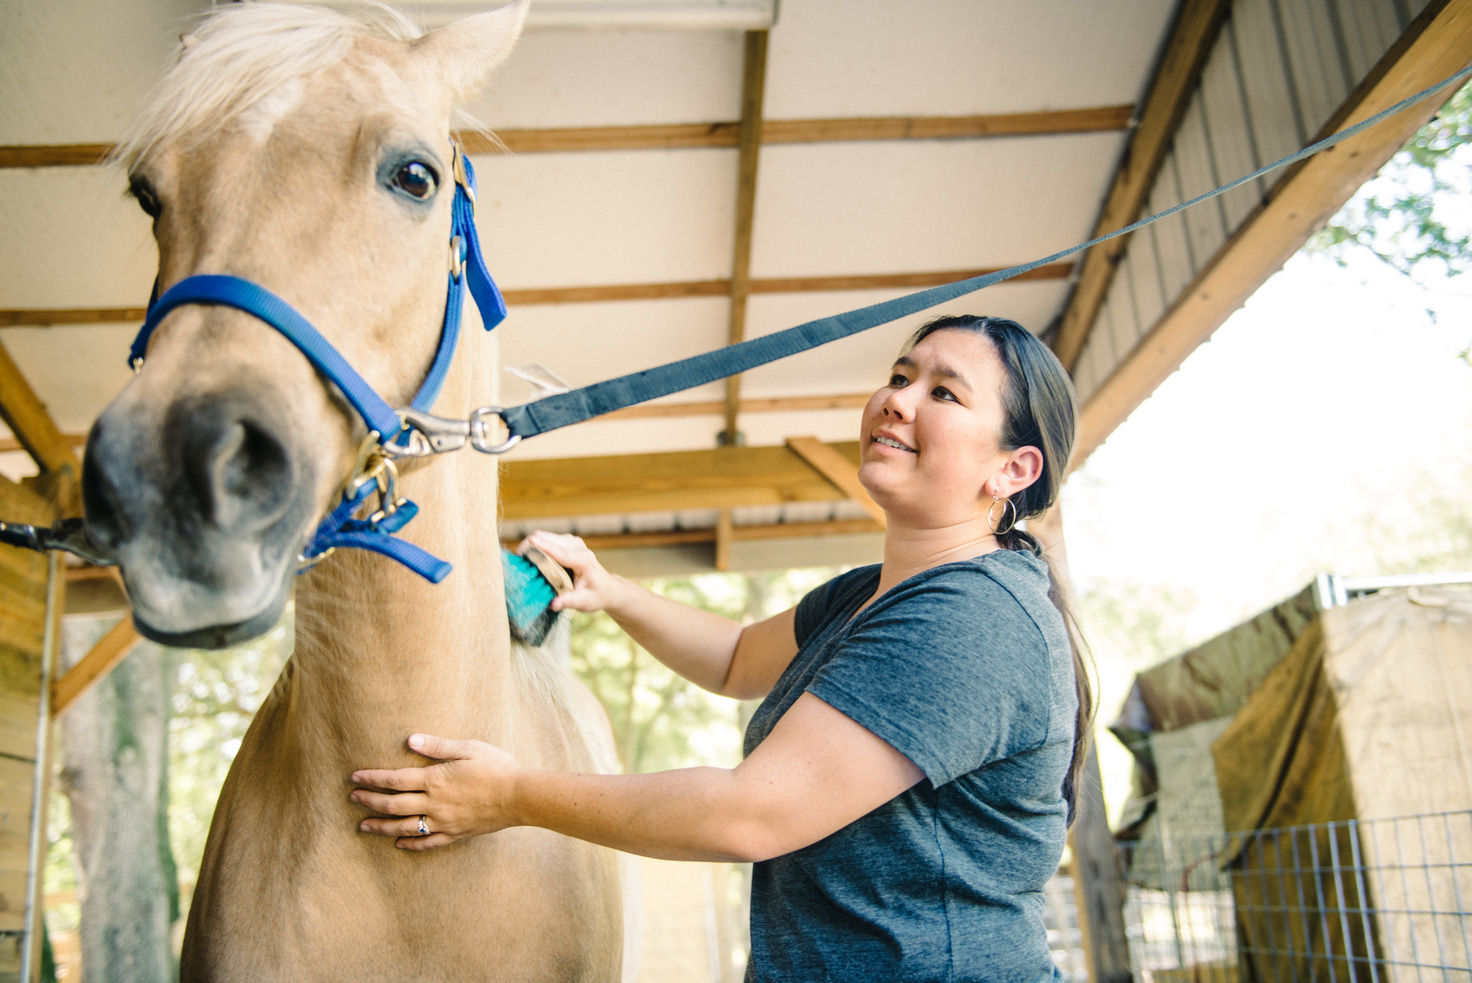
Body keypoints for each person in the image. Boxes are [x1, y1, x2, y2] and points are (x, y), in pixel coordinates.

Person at [351, 314, 1092, 983]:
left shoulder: (974, 618)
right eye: (901, 376)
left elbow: (749, 815)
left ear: (1013, 469)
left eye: (945, 393)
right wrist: (611, 590)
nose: (898, 397)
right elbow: (739, 656)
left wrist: (509, 794)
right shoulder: (872, 593)